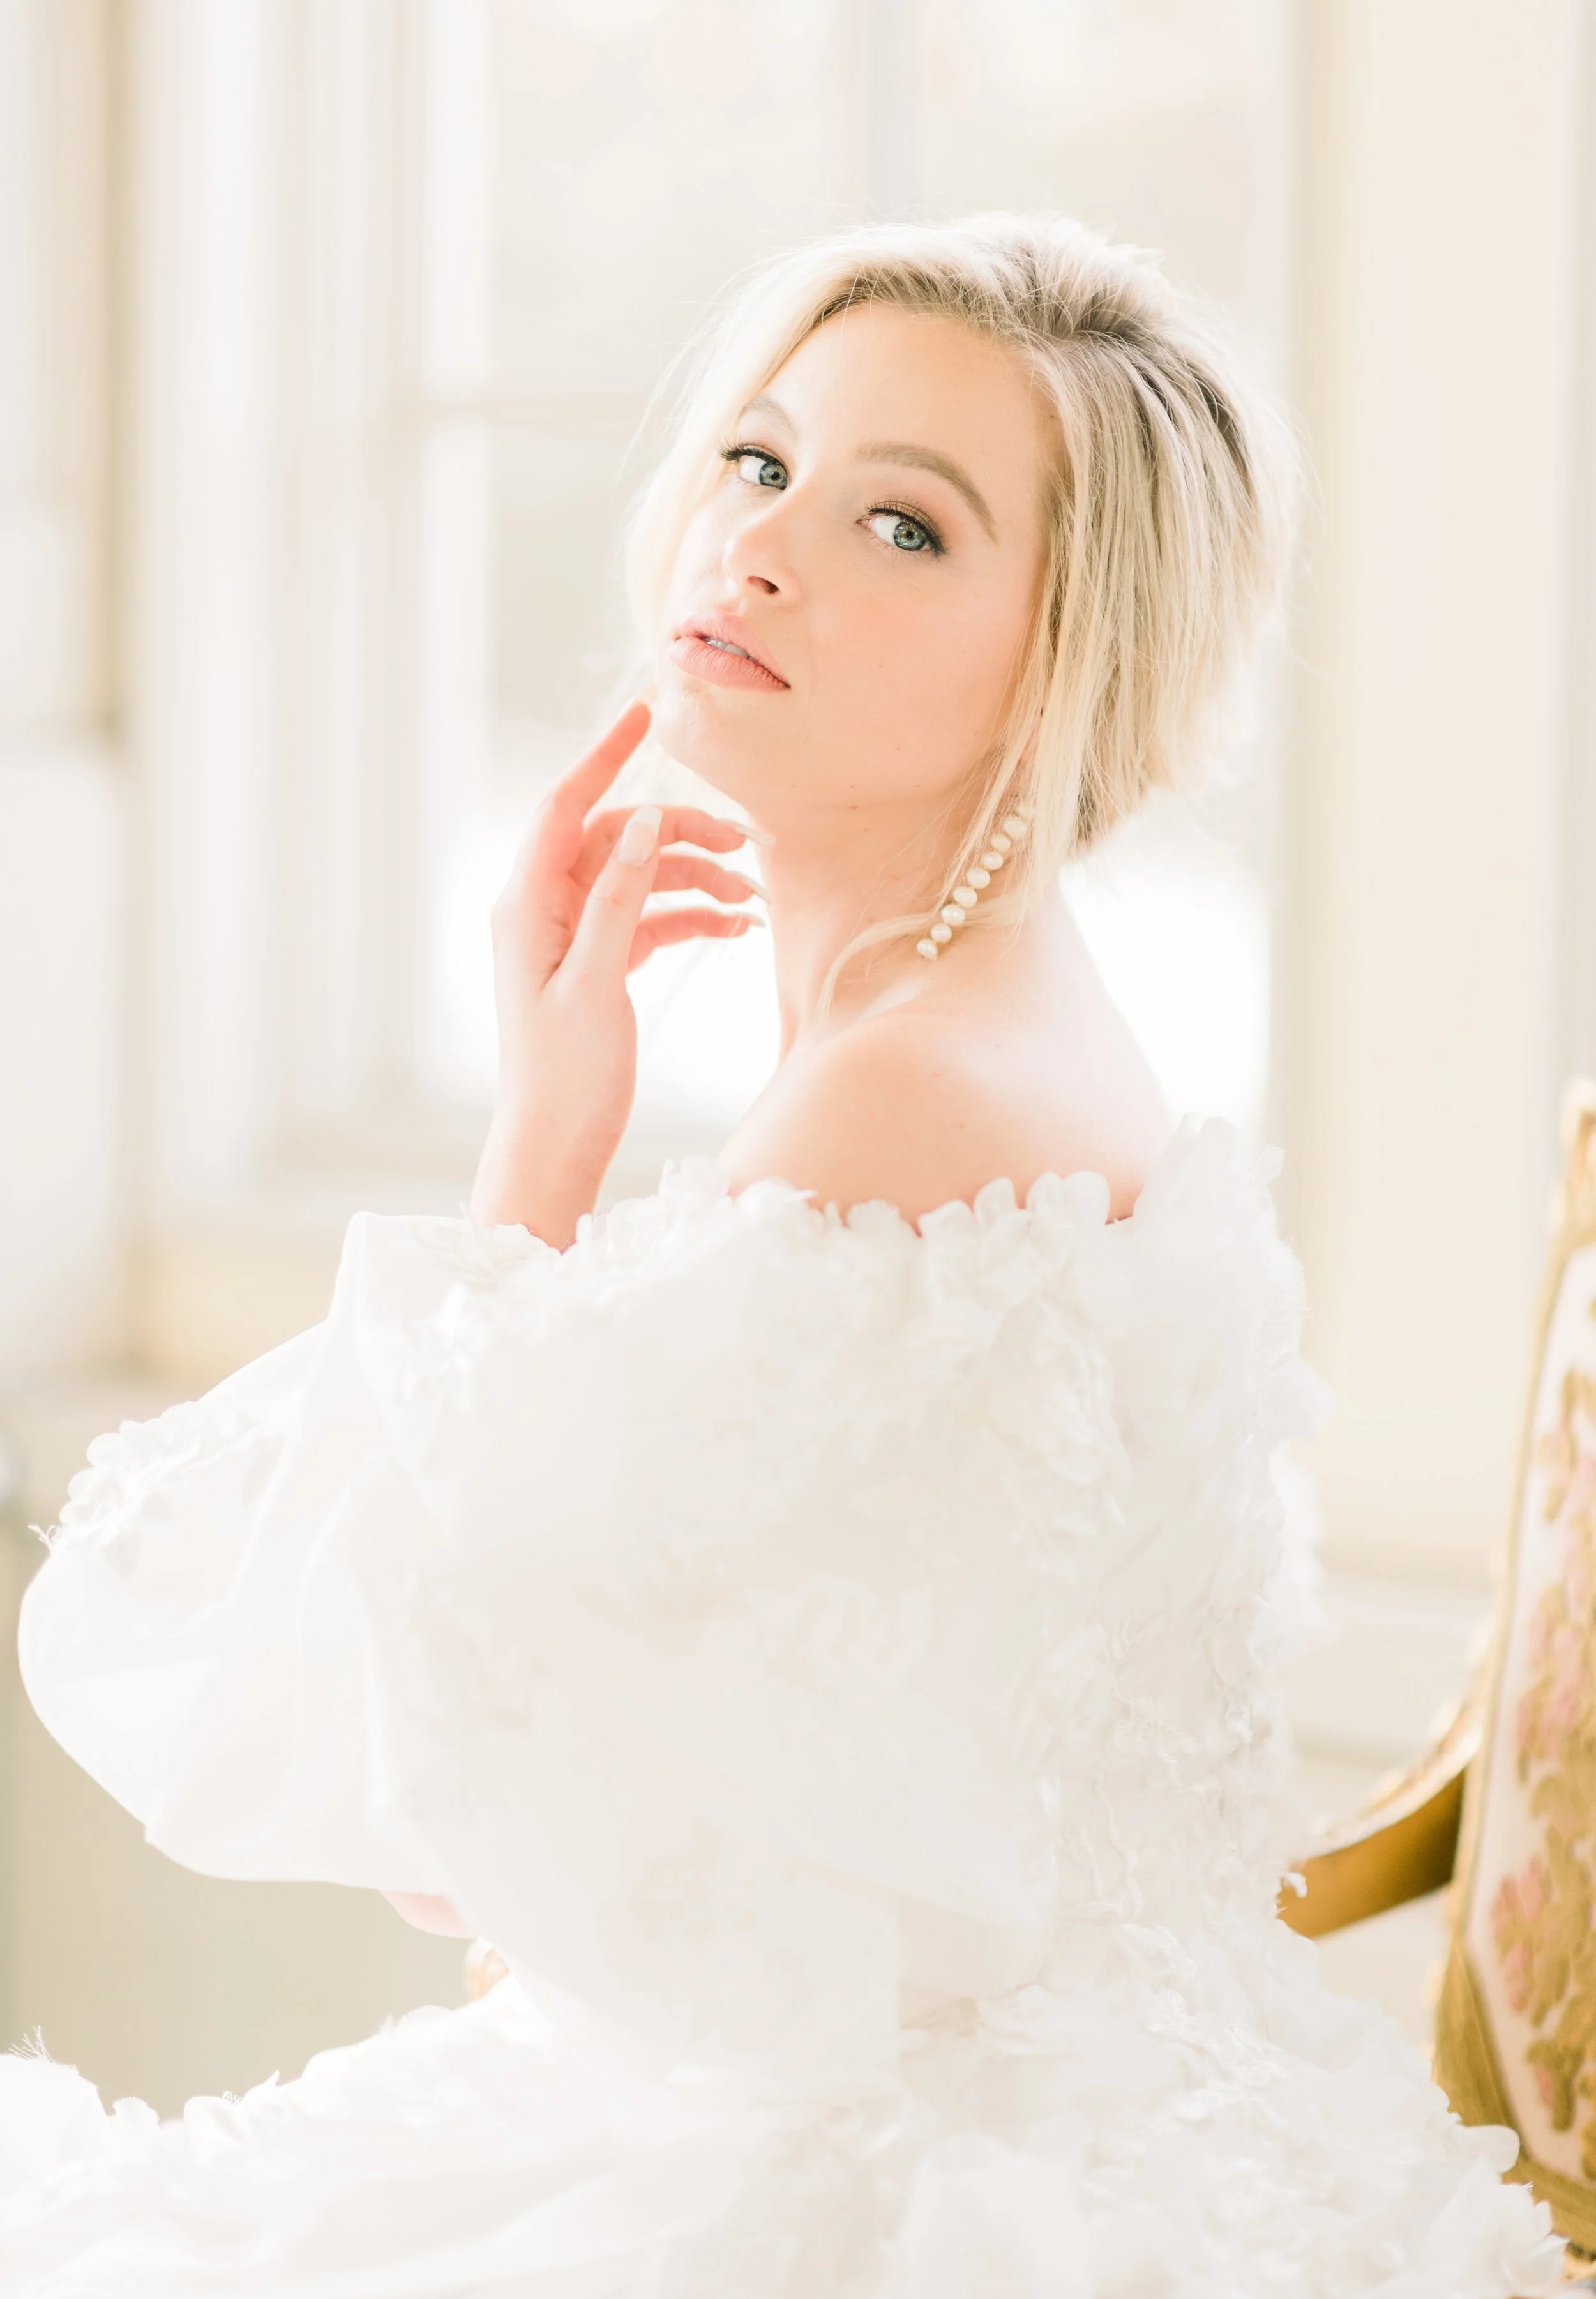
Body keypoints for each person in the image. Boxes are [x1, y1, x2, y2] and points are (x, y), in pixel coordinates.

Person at [0, 216, 1563, 2295]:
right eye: (757, 462)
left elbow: (411, 1798)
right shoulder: (978, 1027)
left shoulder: (906, 1098)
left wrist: (539, 1132)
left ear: (1069, 645)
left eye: (903, 528)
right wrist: (557, 1093)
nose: (759, 550)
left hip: (923, 2196)